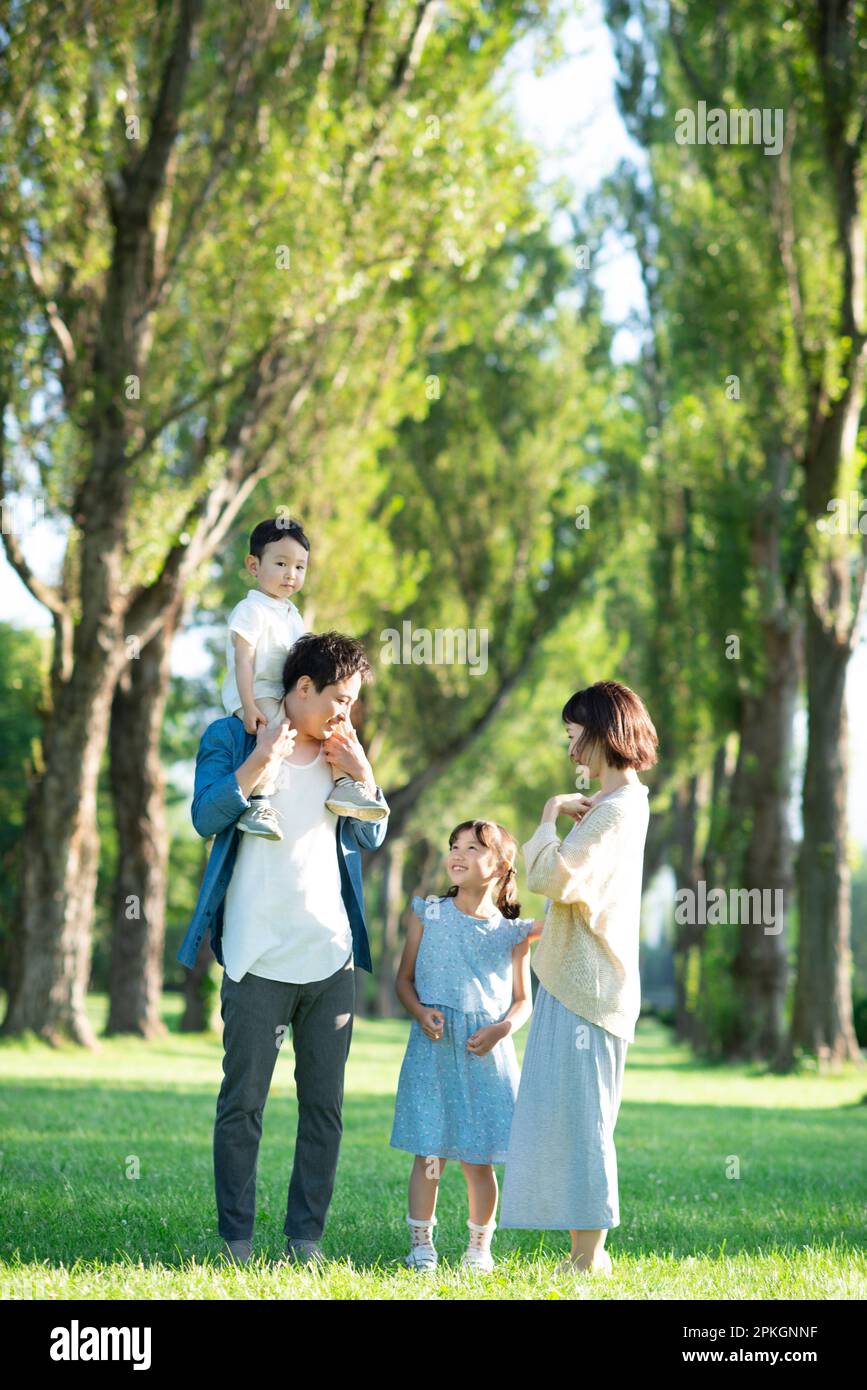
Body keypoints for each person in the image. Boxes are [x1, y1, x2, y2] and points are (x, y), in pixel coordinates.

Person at [177, 630, 390, 1268]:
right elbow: (204, 816)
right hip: (255, 960)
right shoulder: (231, 737)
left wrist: (364, 773)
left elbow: (373, 834)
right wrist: (260, 760)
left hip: (331, 960)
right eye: (340, 699)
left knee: (323, 1109)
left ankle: (305, 1241)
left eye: (352, 702)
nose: (346, 713)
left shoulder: (341, 749)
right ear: (302, 689)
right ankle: (237, 1242)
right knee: (243, 1105)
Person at [498, 680, 657, 1277]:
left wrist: (546, 818)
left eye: (574, 735)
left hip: (589, 988)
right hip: (580, 983)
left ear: (602, 732)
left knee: (583, 1119)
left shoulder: (616, 810)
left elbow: (553, 878)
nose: (571, 751)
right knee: (569, 1116)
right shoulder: (622, 805)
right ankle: (582, 1252)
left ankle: (590, 1258)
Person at [390, 819, 544, 1274]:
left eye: (474, 848)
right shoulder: (427, 913)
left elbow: (522, 1002)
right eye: (454, 845)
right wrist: (420, 1013)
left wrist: (500, 1030)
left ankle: (479, 1249)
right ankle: (422, 1246)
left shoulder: (513, 933)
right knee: (431, 1153)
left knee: (479, 1160)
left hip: (485, 1054)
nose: (458, 854)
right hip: (433, 1051)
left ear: (500, 866)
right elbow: (403, 980)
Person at [222, 516, 386, 840]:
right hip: (259, 691)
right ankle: (259, 800)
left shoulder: (292, 613)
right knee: (277, 732)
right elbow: (244, 660)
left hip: (285, 691)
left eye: (299, 567)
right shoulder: (250, 609)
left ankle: (345, 785)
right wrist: (248, 704)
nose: (290, 574)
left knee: (340, 725)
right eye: (281, 563)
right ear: (254, 565)